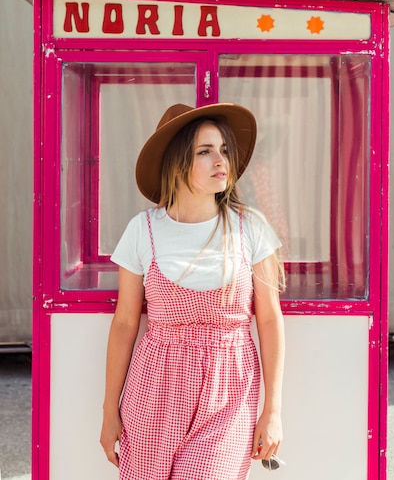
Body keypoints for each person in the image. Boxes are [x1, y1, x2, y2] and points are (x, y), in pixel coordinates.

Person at [100, 102, 286, 480]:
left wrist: (273, 409)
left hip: (229, 389)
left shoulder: (250, 228)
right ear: (178, 162)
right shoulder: (143, 230)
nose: (222, 161)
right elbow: (124, 323)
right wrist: (109, 411)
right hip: (153, 388)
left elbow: (269, 319)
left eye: (224, 150)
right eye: (205, 151)